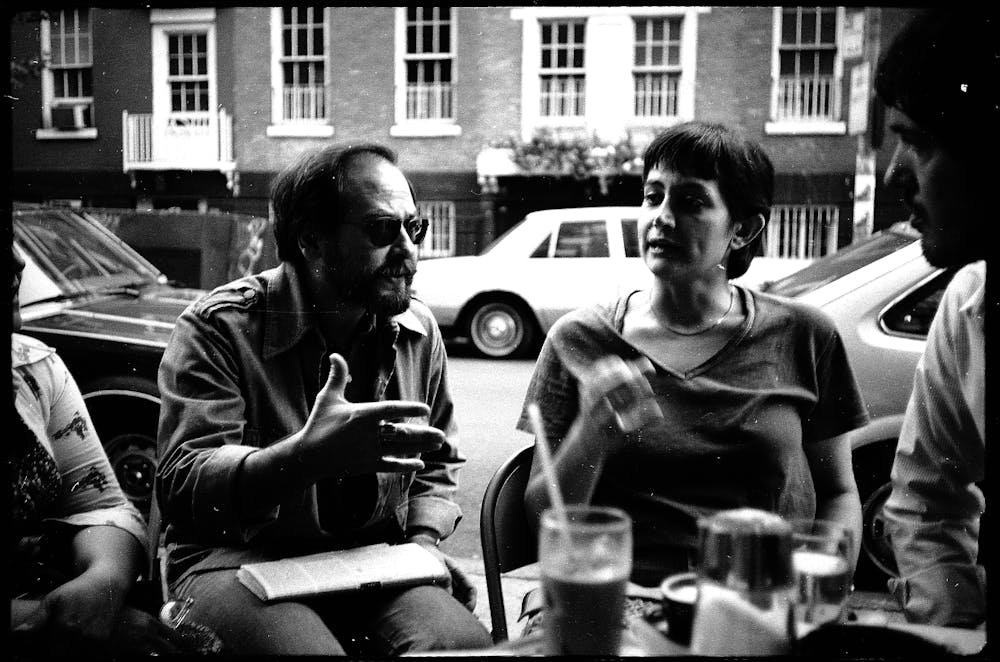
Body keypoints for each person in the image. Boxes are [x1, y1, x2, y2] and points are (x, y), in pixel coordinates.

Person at [518, 121, 869, 626]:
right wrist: (591, 436)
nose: (661, 218)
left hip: (762, 603)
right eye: (652, 196)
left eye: (690, 201)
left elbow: (838, 493)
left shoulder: (805, 334)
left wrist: (821, 595)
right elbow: (545, 519)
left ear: (743, 230)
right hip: (620, 603)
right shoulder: (579, 338)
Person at [154, 143, 492, 654]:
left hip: (369, 556)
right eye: (382, 230)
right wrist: (304, 459)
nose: (409, 251)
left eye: (414, 227)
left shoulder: (417, 328)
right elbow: (183, 483)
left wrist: (422, 542)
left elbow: (436, 462)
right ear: (312, 240)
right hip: (234, 558)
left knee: (462, 648)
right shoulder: (219, 328)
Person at [10, 246, 188, 656]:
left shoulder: (34, 368)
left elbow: (102, 505)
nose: (19, 261)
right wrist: (61, 621)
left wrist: (102, 582)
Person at [877, 8, 995, 628]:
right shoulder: (967, 309)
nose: (894, 174)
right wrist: (956, 627)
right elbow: (926, 506)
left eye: (919, 142)